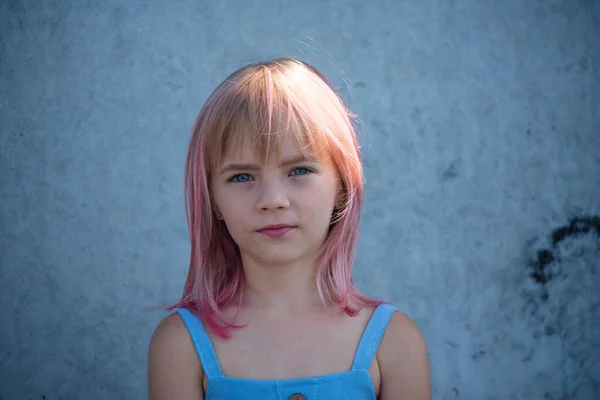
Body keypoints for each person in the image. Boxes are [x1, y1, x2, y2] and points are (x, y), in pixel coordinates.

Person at [147, 57, 431, 399]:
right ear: (213, 201)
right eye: (241, 177)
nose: (272, 200)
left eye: (298, 171)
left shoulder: (395, 342)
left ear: (342, 184)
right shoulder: (179, 345)